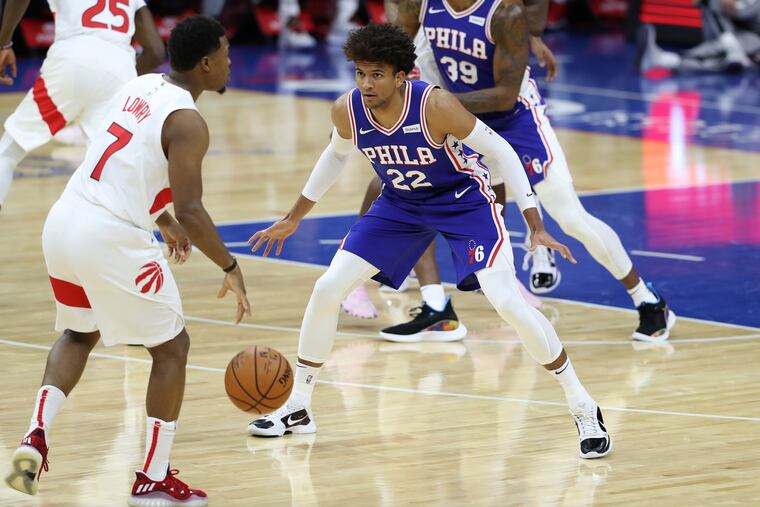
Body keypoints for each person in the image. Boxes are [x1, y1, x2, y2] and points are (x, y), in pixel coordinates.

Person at [247, 24, 611, 459]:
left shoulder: (434, 104)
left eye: (377, 74)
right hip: (400, 204)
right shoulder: (348, 109)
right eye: (360, 73)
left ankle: (582, 404)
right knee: (327, 288)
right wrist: (293, 216)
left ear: (403, 76)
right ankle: (299, 407)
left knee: (508, 304)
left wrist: (534, 222)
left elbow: (503, 153)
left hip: (463, 202)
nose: (366, 83)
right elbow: (336, 155)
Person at [4, 16, 250, 506]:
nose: (229, 61)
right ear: (205, 64)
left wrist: (161, 222)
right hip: (109, 236)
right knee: (172, 348)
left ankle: (32, 442)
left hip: (66, 219)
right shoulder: (188, 122)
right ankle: (152, 478)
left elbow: (122, 160)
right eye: (224, 53)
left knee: (80, 332)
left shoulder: (140, 84)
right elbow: (194, 211)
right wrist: (229, 266)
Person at [377, 0, 677, 343]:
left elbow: (504, 96)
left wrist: (435, 105)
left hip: (514, 121)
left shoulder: (504, 12)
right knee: (417, 195)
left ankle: (647, 299)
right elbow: (394, 46)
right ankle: (435, 303)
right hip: (462, 120)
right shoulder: (422, 5)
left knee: (571, 219)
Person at [340, 0, 558, 335]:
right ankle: (365, 279)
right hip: (420, 56)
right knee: (400, 172)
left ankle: (495, 265)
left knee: (485, 169)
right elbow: (399, 19)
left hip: (461, 61)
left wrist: (535, 35)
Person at [0, 0, 165, 211]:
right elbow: (156, 52)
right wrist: (114, 77)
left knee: (8, 151)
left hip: (73, 58)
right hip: (119, 67)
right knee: (108, 175)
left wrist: (4, 43)